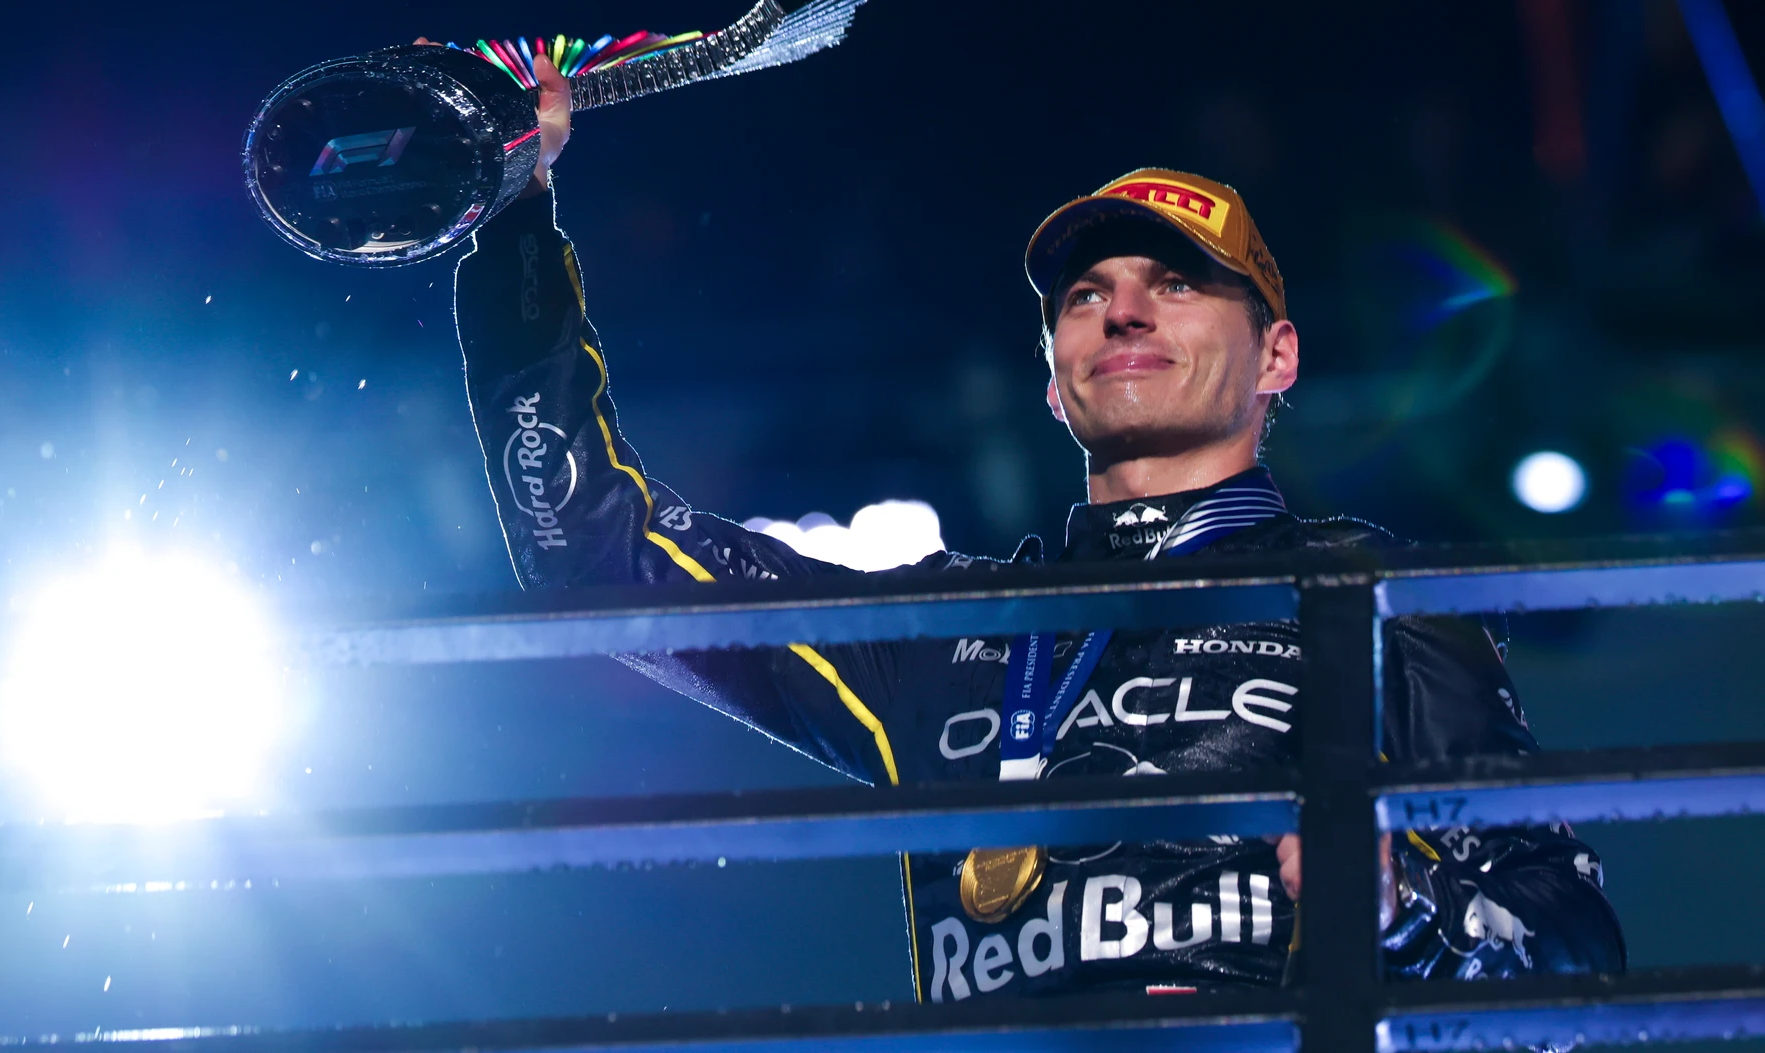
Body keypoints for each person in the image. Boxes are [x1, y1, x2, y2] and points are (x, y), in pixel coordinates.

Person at [449, 51, 1626, 1000]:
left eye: (1176, 282)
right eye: (1085, 295)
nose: (1122, 309)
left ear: (1278, 356)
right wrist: (513, 224)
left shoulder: (1368, 595)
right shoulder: (939, 629)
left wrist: (1400, 914)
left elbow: (1573, 950)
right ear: (1054, 383)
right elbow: (592, 553)